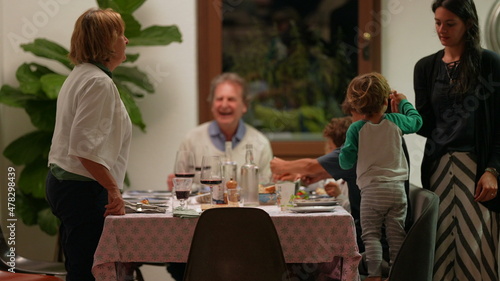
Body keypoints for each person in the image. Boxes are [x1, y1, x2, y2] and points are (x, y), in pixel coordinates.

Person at [414, 0, 500, 280]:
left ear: (469, 24)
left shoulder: (489, 63)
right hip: (438, 169)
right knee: (438, 249)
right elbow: (426, 126)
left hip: (476, 171)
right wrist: (402, 111)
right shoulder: (426, 67)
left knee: (478, 249)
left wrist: (492, 170)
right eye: (438, 22)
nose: (442, 29)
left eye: (450, 23)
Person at [45, 8, 130, 281]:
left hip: (66, 185)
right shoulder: (97, 82)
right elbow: (83, 148)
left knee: (81, 266)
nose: (126, 41)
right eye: (121, 35)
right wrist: (113, 189)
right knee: (87, 272)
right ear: (107, 42)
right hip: (81, 189)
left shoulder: (81, 74)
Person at [166, 72, 274, 280]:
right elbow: (181, 187)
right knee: (181, 265)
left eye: (231, 99)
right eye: (219, 98)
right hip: (199, 234)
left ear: (244, 106)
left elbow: (265, 191)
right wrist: (177, 185)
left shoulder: (260, 143)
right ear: (212, 104)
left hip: (246, 233)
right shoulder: (192, 139)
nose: (224, 104)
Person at [339, 72, 422, 281]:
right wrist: (403, 103)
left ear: (355, 105)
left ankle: (374, 275)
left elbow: (345, 162)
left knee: (371, 235)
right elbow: (417, 122)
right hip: (396, 190)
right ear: (386, 100)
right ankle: (398, 274)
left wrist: (348, 151)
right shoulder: (396, 121)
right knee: (396, 235)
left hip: (371, 192)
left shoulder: (356, 129)